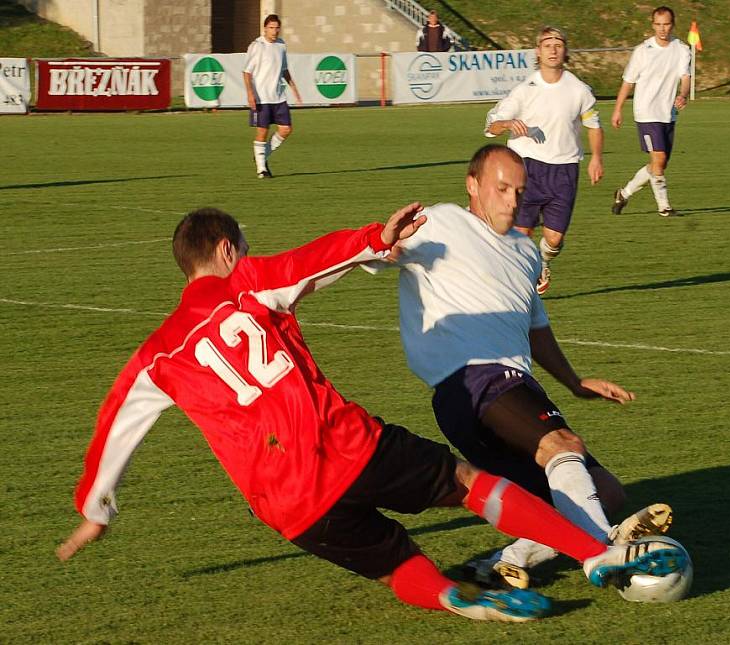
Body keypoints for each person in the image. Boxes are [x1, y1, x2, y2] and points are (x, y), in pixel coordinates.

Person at [56, 205, 685, 623]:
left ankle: (456, 600)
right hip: (342, 445)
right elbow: (309, 262)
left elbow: (116, 427)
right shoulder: (245, 281)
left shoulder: (152, 359)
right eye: (243, 246)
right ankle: (596, 554)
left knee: (395, 564)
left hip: (287, 507)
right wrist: (372, 241)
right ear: (226, 249)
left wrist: (95, 512)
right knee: (464, 483)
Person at [372, 144, 673, 590]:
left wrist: (573, 382)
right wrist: (385, 245)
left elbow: (536, 326)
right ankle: (604, 553)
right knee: (561, 443)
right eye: (502, 188)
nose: (513, 200)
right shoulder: (442, 222)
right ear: (473, 185)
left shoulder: (525, 251)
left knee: (605, 492)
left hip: (512, 389)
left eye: (519, 190)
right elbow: (386, 253)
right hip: (473, 380)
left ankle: (502, 562)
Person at [484, 26, 603, 295]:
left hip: (565, 170)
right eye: (546, 44)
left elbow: (594, 126)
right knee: (521, 235)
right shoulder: (525, 90)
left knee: (554, 239)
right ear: (538, 52)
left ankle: (543, 262)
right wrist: (506, 123)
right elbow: (492, 125)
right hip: (528, 169)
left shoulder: (580, 90)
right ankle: (517, 289)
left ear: (565, 51)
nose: (552, 49)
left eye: (558, 44)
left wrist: (596, 158)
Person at [610, 6, 691, 217]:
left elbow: (685, 77)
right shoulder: (643, 51)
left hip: (668, 114)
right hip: (646, 112)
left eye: (666, 24)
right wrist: (618, 110)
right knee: (659, 159)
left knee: (658, 163)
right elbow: (628, 83)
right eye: (658, 24)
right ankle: (664, 207)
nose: (662, 29)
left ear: (672, 25)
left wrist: (683, 95)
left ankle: (624, 193)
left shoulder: (682, 49)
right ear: (652, 24)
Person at [243, 14, 302, 179]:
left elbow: (284, 69)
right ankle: (262, 169)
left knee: (286, 129)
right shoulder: (256, 46)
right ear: (265, 28)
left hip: (278, 96)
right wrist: (250, 94)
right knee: (262, 132)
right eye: (271, 28)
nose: (274, 31)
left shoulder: (281, 45)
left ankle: (261, 156)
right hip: (261, 97)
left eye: (277, 28)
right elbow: (246, 72)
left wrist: (294, 88)